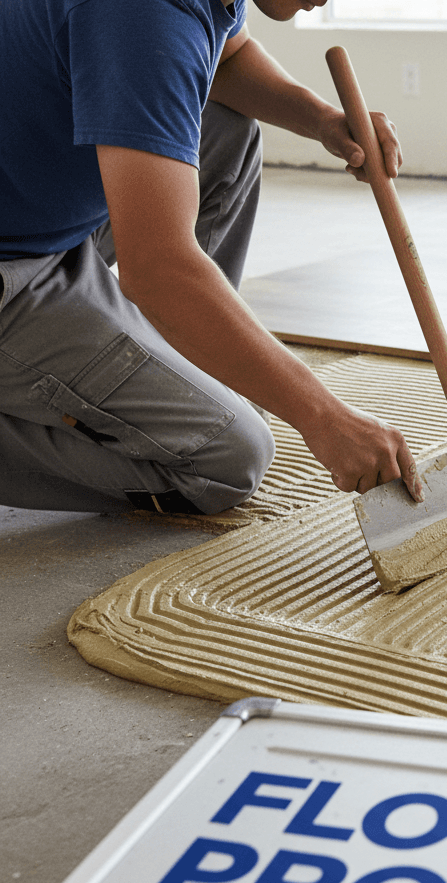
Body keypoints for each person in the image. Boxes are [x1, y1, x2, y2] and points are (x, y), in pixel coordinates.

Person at [0, 0, 423, 516]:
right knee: (228, 457)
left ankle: (184, 358)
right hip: (15, 267)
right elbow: (158, 270)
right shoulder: (143, 15)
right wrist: (324, 417)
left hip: (36, 209)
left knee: (227, 131)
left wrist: (323, 121)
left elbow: (226, 56)